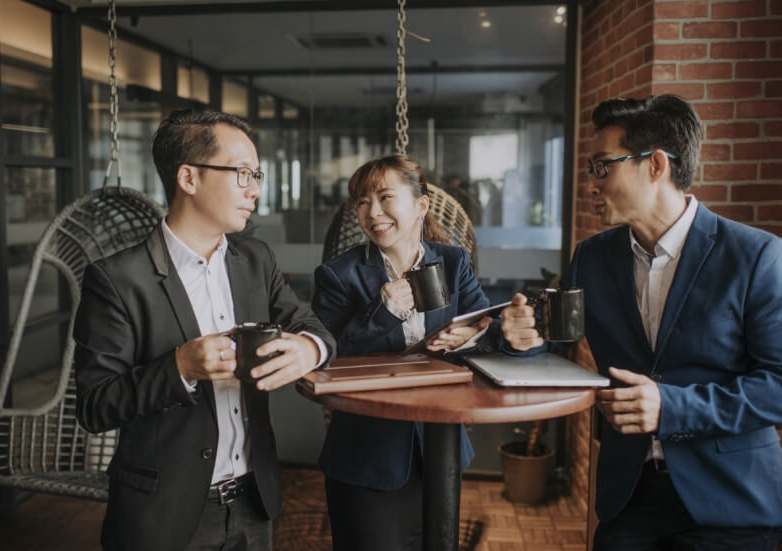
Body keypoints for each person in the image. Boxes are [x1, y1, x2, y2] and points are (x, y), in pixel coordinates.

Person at [501, 95, 782, 549]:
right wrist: (521, 337)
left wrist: (672, 407)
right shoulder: (591, 258)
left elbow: (778, 385)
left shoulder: (755, 256)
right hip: (628, 497)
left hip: (732, 504)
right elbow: (553, 348)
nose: (591, 185)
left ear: (655, 164)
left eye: (601, 167)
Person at [73, 109, 335, 551]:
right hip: (163, 514)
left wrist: (309, 350)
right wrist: (179, 366)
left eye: (258, 174)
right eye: (242, 173)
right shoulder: (117, 279)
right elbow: (95, 405)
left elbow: (312, 328)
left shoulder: (256, 259)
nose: (255, 189)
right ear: (189, 178)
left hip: (254, 502)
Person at [312, 154, 508, 551]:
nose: (373, 212)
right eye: (363, 202)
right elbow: (325, 356)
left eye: (385, 197)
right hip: (367, 457)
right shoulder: (339, 275)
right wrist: (384, 312)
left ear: (421, 205)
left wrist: (468, 338)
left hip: (441, 453)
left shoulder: (453, 264)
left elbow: (486, 326)